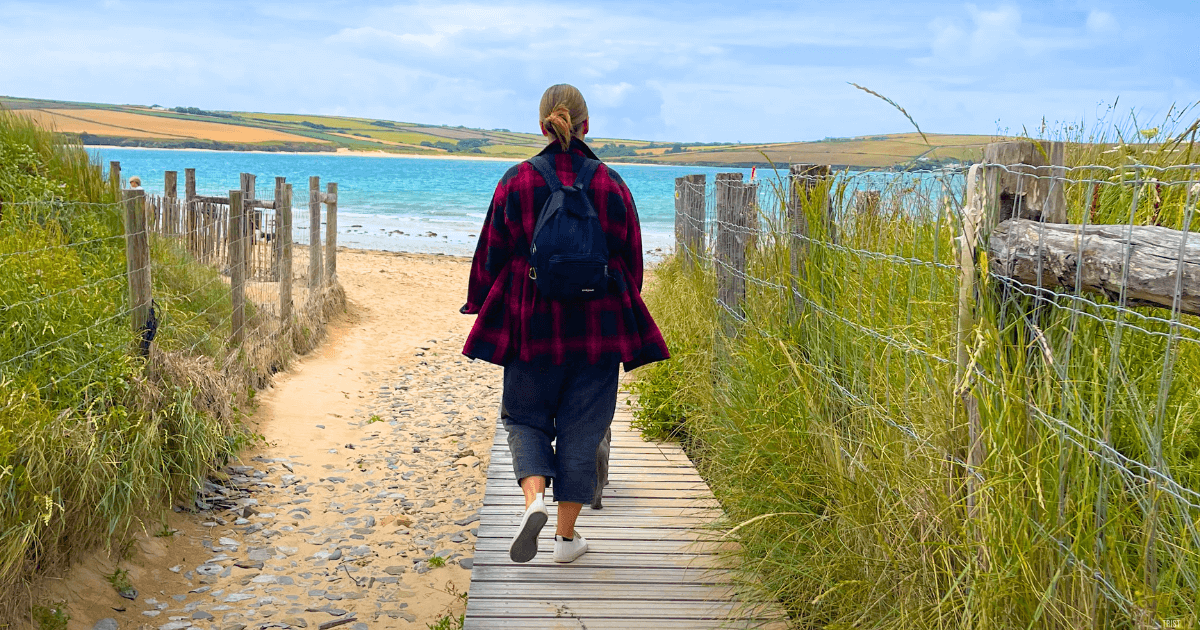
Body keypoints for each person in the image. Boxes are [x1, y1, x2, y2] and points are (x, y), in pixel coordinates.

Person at [460, 84, 669, 563]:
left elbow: (490, 253)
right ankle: (566, 540)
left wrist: (481, 303)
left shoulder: (515, 180)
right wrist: (620, 306)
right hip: (597, 330)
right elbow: (631, 261)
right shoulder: (612, 183)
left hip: (530, 325)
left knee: (525, 419)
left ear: (542, 127)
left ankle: (532, 499)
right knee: (583, 429)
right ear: (587, 126)